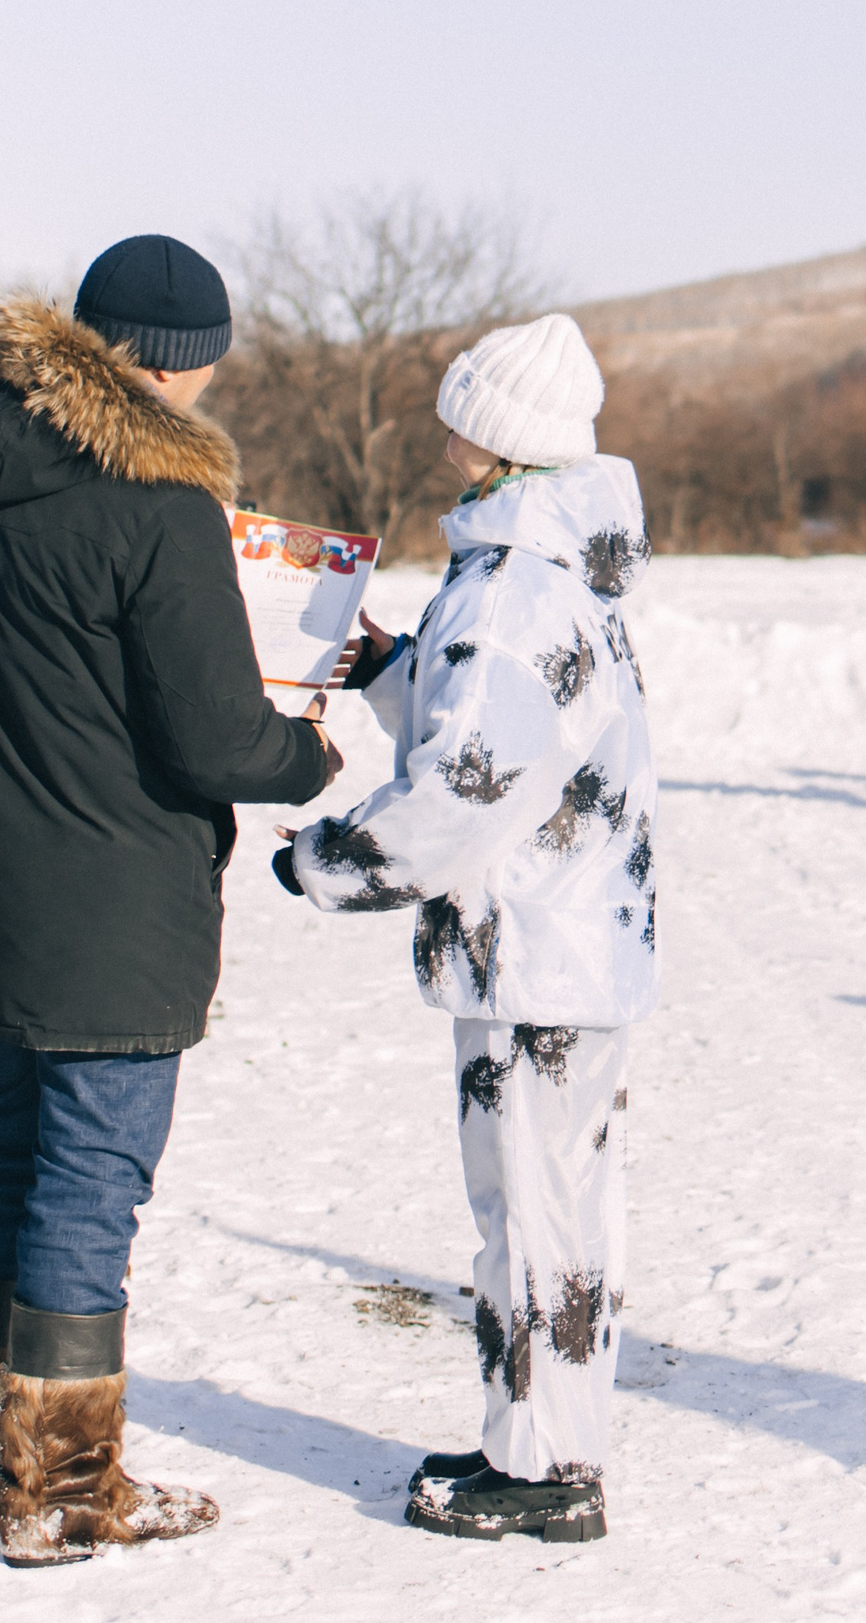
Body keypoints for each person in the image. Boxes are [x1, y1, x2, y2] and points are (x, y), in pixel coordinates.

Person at [0, 236, 337, 1564]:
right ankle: (65, 1492)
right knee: (87, 1193)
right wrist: (305, 748)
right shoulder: (156, 503)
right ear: (183, 363)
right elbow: (212, 738)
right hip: (113, 903)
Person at [279, 311, 653, 1545]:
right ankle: (550, 1438)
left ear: (493, 436)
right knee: (554, 1207)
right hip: (566, 941)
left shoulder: (514, 583)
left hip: (528, 950)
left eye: (463, 405)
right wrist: (393, 663)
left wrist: (330, 859)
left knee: (531, 1217)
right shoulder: (548, 564)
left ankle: (544, 1464)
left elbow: (469, 783)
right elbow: (488, 724)